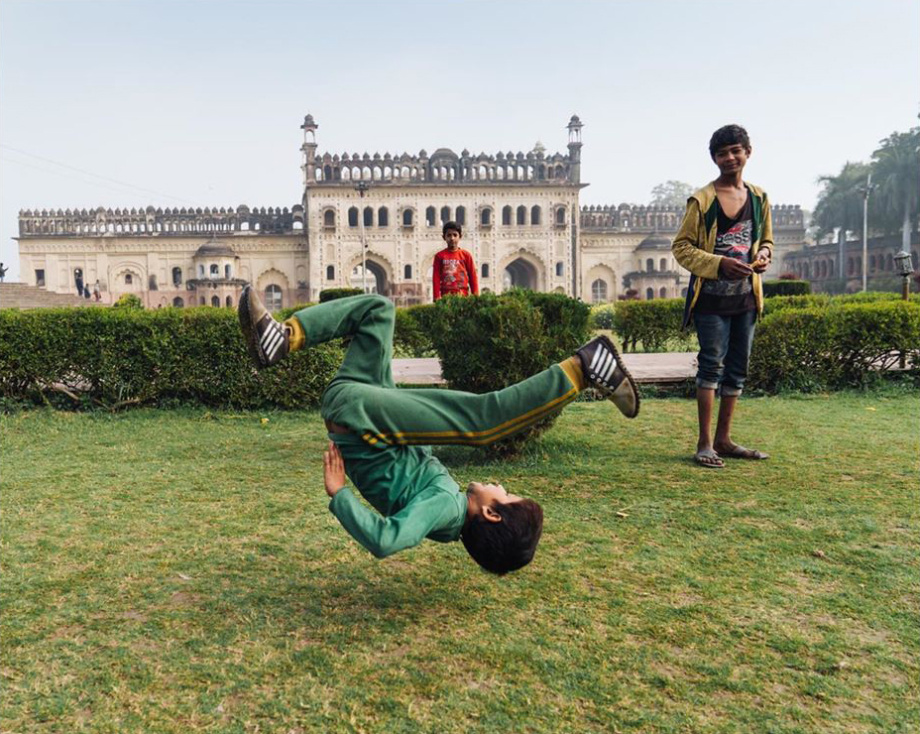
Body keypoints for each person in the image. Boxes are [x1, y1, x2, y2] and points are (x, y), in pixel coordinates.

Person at [238, 287, 639, 575]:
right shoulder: (446, 510)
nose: (500, 484)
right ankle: (283, 339)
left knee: (482, 422)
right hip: (361, 407)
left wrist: (339, 495)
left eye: (506, 493)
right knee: (378, 311)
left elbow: (386, 540)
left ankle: (582, 369)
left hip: (363, 419)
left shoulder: (443, 510)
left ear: (491, 514)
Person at [672, 123, 773, 469]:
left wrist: (763, 256)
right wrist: (719, 264)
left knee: (737, 370)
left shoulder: (759, 198)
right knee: (711, 367)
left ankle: (724, 440)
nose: (730, 157)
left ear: (748, 152)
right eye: (722, 153)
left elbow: (766, 241)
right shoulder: (703, 201)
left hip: (746, 297)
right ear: (714, 158)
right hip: (711, 300)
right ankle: (704, 443)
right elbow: (681, 248)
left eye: (735, 150)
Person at [432, 221, 478, 300]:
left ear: (460, 236)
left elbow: (472, 275)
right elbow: (436, 277)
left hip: (463, 295)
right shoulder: (439, 256)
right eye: (449, 235)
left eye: (455, 235)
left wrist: (475, 296)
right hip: (446, 296)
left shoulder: (466, 255)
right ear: (444, 237)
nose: (452, 238)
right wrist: (436, 296)